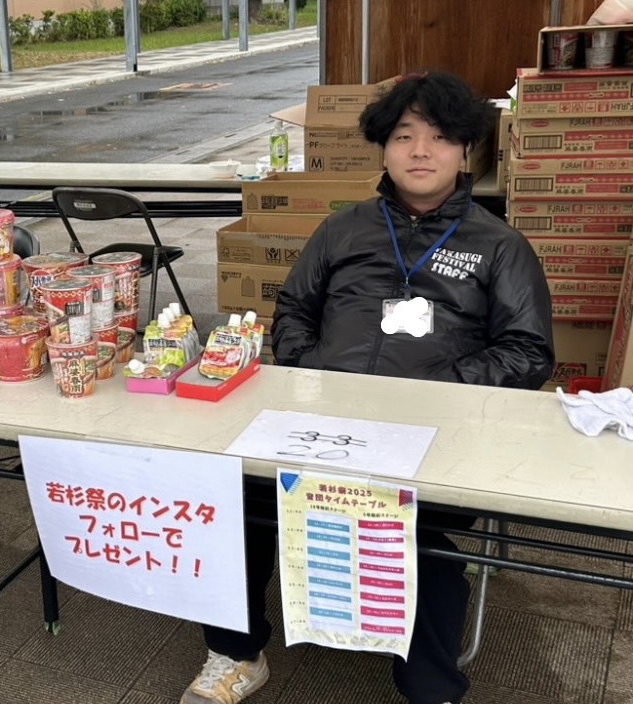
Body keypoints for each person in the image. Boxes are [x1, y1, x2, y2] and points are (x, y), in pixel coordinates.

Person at [181, 71, 554, 704]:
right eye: (404, 136)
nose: (420, 151)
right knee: (235, 506)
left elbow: (528, 351)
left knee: (422, 545)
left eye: (439, 137)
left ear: (465, 150)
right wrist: (312, 369)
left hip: (435, 436)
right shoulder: (343, 228)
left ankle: (430, 687)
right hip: (324, 426)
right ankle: (236, 652)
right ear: (383, 148)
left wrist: (437, 390)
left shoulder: (500, 246)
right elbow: (293, 309)